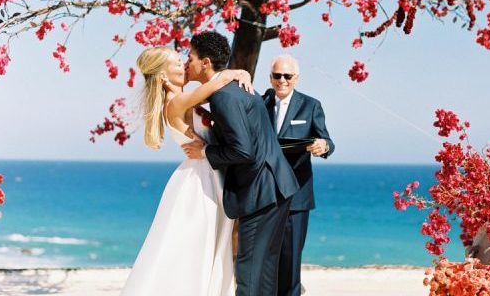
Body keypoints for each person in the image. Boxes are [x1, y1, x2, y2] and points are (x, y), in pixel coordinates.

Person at [121, 46, 253, 296]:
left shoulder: (185, 98)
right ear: (162, 75)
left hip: (207, 173)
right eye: (176, 62)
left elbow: (218, 86)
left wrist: (240, 74)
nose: (182, 65)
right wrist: (240, 73)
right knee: (198, 245)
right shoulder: (177, 101)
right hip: (199, 180)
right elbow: (221, 80)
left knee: (204, 244)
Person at [182, 31, 299, 296]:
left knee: (247, 273)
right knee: (264, 273)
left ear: (206, 62)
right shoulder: (233, 88)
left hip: (262, 191)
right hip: (276, 186)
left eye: (190, 57)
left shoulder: (224, 96)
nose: (186, 62)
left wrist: (206, 152)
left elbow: (242, 150)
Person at [263, 54, 335, 296]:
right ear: (270, 77)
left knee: (291, 263)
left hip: (296, 196)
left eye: (287, 76)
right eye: (277, 75)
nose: (282, 80)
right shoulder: (259, 103)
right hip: (264, 195)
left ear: (297, 78)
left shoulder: (311, 105)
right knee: (264, 261)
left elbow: (327, 140)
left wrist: (323, 146)